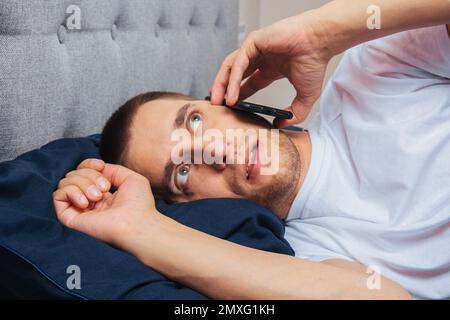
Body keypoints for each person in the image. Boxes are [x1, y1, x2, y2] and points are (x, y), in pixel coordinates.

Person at [53, 0, 450, 299]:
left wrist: (323, 31)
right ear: (191, 206)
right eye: (183, 172)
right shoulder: (305, 255)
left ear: (226, 99)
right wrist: (140, 229)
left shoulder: (377, 69)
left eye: (194, 121)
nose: (215, 151)